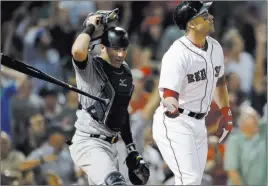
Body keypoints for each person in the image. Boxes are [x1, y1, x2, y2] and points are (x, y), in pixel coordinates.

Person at [152, 1, 233, 185]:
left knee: (194, 180)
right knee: (189, 179)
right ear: (191, 24)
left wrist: (225, 112)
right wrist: (171, 105)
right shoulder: (177, 54)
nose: (210, 17)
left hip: (199, 124)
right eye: (204, 16)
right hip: (176, 123)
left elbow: (219, 82)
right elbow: (169, 93)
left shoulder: (215, 48)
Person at [67, 10, 150, 185]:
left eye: (123, 49)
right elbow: (77, 51)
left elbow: (122, 110)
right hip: (89, 142)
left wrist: (130, 147)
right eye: (115, 49)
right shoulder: (91, 68)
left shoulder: (125, 71)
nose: (120, 54)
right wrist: (90, 26)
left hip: (111, 147)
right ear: (103, 47)